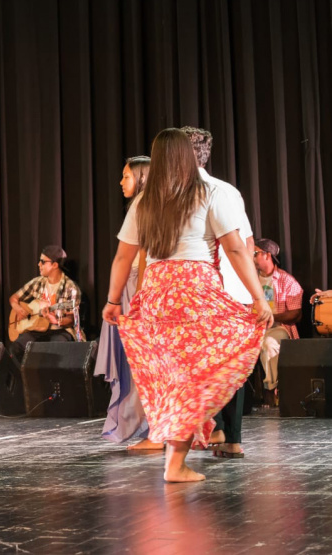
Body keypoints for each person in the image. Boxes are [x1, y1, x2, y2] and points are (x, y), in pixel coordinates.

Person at [103, 128, 272, 483]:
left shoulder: (144, 202)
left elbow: (123, 256)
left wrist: (112, 299)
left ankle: (178, 456)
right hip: (194, 290)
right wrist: (258, 297)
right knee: (202, 372)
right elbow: (237, 248)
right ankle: (177, 461)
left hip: (157, 293)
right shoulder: (208, 192)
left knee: (174, 378)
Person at [181, 126, 256, 458]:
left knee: (203, 364)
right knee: (228, 365)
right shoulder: (228, 190)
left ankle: (223, 431)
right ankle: (228, 435)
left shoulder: (188, 192)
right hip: (232, 289)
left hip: (207, 291)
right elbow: (248, 243)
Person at [94, 156, 162, 450]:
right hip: (137, 286)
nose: (121, 182)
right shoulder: (153, 202)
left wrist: (140, 296)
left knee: (143, 360)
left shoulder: (144, 203)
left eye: (126, 177)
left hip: (139, 287)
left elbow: (142, 254)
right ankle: (154, 428)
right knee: (143, 361)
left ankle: (155, 431)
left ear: (143, 177)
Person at [8, 245, 81, 362]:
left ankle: (51, 380)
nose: (38, 264)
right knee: (16, 347)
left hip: (60, 331)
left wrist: (56, 321)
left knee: (54, 348)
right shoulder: (38, 282)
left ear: (55, 265)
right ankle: (25, 379)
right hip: (38, 329)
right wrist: (18, 308)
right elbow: (14, 298)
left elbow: (71, 319)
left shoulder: (70, 287)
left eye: (42, 261)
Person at [253, 237, 303, 406]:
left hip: (278, 327)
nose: (252, 257)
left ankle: (271, 391)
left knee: (268, 344)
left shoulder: (286, 280)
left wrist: (272, 317)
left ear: (267, 255)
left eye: (255, 253)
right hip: (251, 328)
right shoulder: (249, 279)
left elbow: (296, 314)